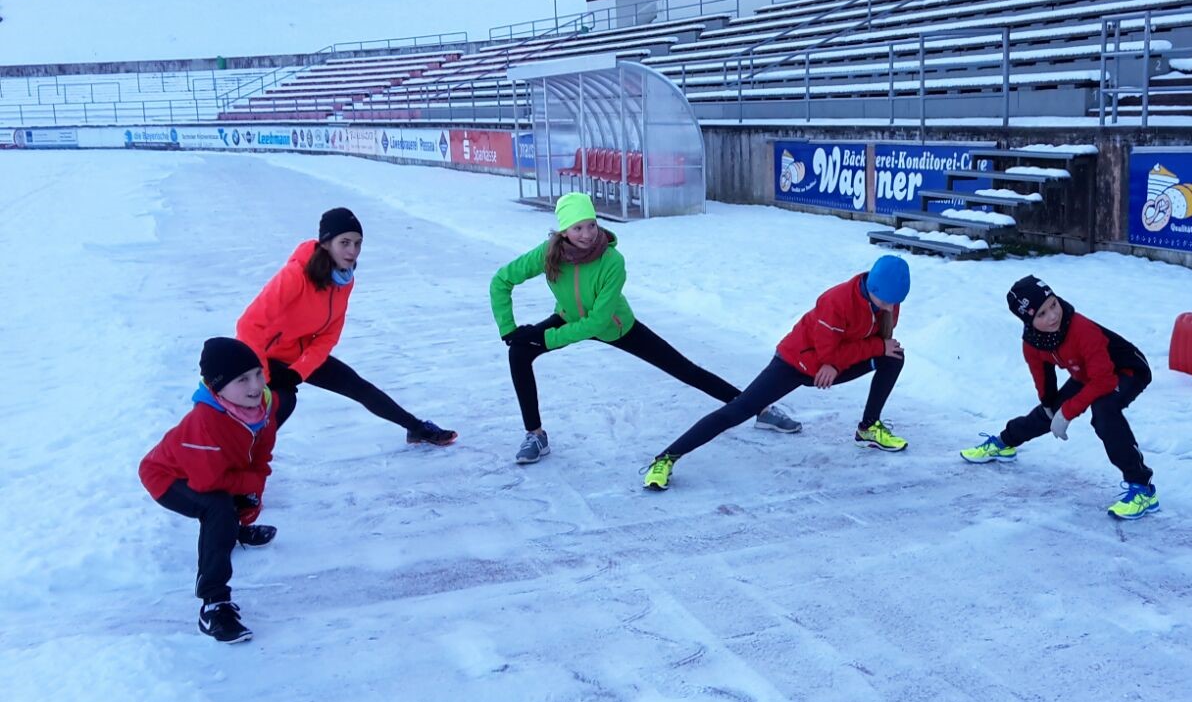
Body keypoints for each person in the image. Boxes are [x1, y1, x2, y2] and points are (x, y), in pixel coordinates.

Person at [491, 192, 800, 464]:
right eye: (578, 228)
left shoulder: (612, 260)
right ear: (563, 231)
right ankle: (535, 435)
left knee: (685, 369)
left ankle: (759, 408)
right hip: (569, 318)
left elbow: (598, 322)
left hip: (616, 325)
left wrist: (541, 336)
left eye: (591, 225)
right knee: (518, 353)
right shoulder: (548, 254)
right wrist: (510, 330)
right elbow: (501, 280)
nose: (587, 234)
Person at [643, 255, 912, 491]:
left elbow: (866, 344)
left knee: (893, 358)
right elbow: (827, 354)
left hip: (832, 367)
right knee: (739, 409)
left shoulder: (887, 298)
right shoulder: (837, 300)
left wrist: (875, 348)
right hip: (796, 363)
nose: (890, 308)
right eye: (886, 301)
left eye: (895, 302)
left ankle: (868, 428)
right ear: (873, 287)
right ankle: (666, 458)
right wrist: (874, 347)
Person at [236, 207, 456, 445]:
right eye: (345, 242)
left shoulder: (344, 280)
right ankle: (239, 456)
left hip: (296, 355)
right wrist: (264, 377)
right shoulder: (295, 275)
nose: (353, 251)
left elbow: (328, 336)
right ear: (326, 243)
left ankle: (416, 428)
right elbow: (249, 325)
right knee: (283, 402)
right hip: (263, 358)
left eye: (358, 243)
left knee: (358, 387)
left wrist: (298, 372)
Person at [960, 275, 1158, 519]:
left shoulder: (1082, 329)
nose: (1053, 315)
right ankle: (1004, 442)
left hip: (1126, 371)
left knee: (1104, 411)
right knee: (1049, 413)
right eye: (1041, 314)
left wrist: (1067, 411)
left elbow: (1104, 380)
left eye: (1053, 305)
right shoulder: (1032, 344)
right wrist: (1051, 407)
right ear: (1028, 321)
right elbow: (1044, 380)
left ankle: (1142, 488)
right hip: (1086, 373)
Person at [139, 338, 280, 643]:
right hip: (167, 477)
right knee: (217, 507)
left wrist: (255, 494)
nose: (255, 385)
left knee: (233, 503)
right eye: (242, 379)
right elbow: (209, 482)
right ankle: (213, 605)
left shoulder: (266, 404)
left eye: (258, 373)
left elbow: (262, 454)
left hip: (213, 469)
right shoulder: (205, 423)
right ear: (217, 387)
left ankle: (235, 530)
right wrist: (250, 488)